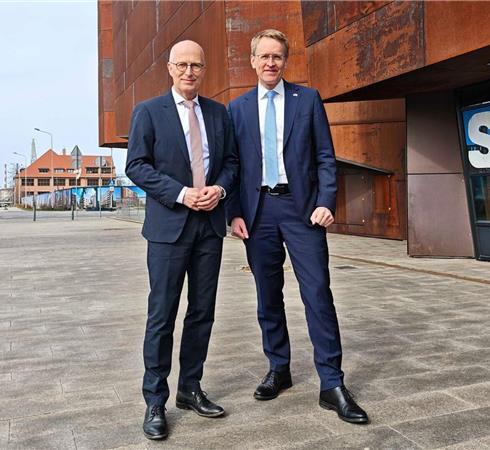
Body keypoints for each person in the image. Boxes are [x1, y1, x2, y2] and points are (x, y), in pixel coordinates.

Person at [226, 29, 369, 424]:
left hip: (302, 210)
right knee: (268, 296)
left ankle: (332, 383)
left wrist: (326, 202)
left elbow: (326, 156)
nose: (271, 62)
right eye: (264, 56)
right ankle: (279, 368)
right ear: (252, 61)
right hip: (257, 213)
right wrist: (233, 212)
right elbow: (232, 167)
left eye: (277, 56)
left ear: (285, 61)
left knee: (318, 293)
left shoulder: (306, 100)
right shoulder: (235, 110)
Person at [125, 39, 238, 440]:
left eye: (197, 65)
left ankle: (190, 389)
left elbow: (231, 163)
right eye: (183, 65)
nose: (190, 72)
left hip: (209, 227)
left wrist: (220, 191)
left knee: (202, 312)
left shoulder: (218, 113)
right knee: (162, 315)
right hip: (169, 228)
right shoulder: (148, 112)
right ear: (169, 68)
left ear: (203, 70)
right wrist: (181, 192)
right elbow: (136, 165)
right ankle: (155, 400)